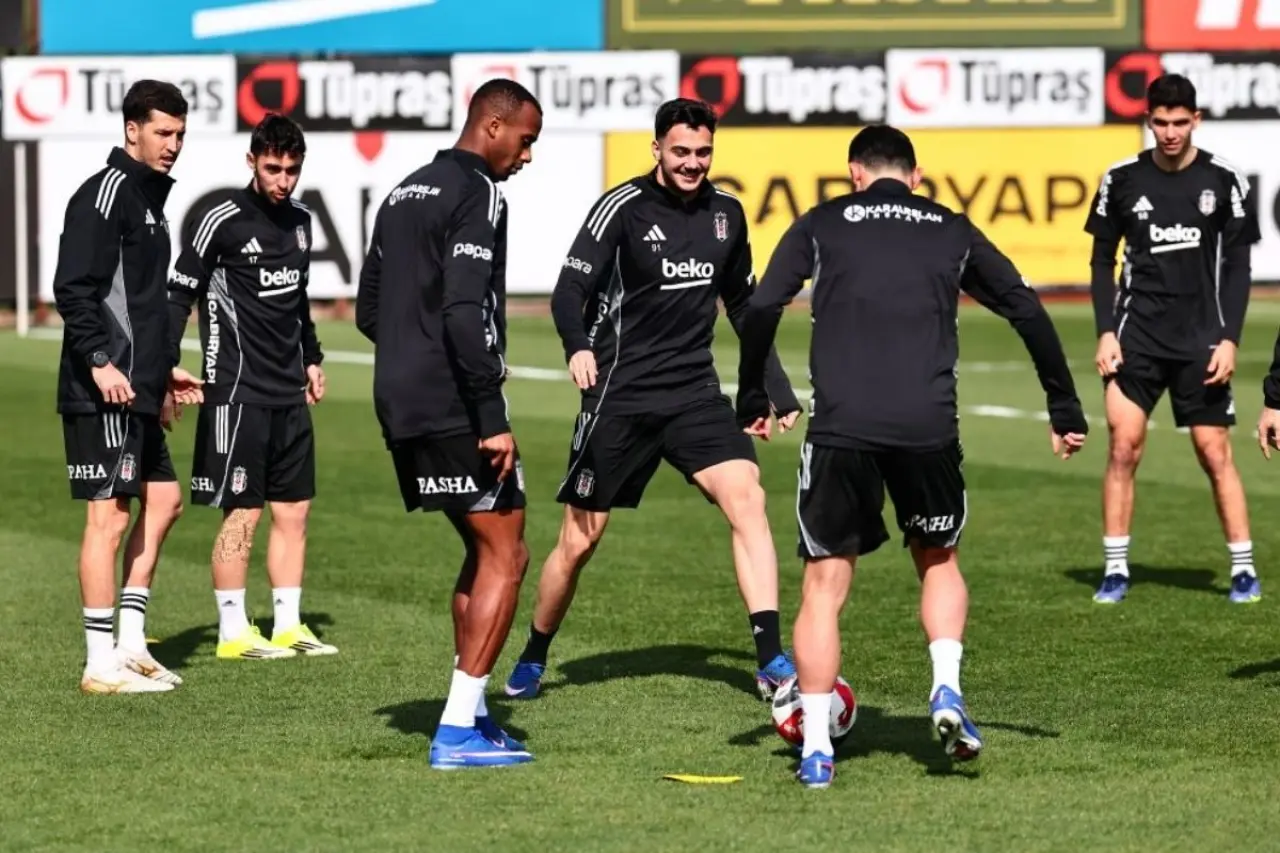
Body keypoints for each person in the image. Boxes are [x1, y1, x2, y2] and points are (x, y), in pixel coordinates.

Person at [736, 125, 1089, 789]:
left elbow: (761, 306)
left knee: (824, 585)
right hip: (927, 428)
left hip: (842, 429)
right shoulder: (950, 226)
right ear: (916, 176)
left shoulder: (822, 222)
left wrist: (753, 390)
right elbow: (1025, 308)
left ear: (854, 173)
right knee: (939, 559)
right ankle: (946, 685)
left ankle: (817, 748)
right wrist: (1063, 405)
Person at [502, 98, 802, 704]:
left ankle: (770, 658)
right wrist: (577, 345)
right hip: (620, 395)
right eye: (681, 151)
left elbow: (744, 305)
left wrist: (775, 386)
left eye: (703, 152)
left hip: (694, 394)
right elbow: (569, 290)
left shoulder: (726, 214)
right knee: (580, 541)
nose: (693, 163)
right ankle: (534, 652)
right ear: (657, 149)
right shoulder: (621, 208)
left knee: (747, 498)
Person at [355, 78, 542, 770]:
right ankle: (457, 727)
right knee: (508, 553)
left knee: (481, 544)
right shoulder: (478, 192)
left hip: (397, 394)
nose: (528, 155)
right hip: (455, 399)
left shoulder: (402, 191)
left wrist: (412, 358)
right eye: (525, 139)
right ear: (493, 126)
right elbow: (466, 310)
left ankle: (475, 713)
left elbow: (369, 311)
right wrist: (489, 411)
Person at [1085, 73, 1262, 605]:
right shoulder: (1120, 179)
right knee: (1123, 447)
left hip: (1201, 339)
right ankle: (1115, 569)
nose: (1169, 132)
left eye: (1180, 122)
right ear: (1148, 120)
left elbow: (1237, 267)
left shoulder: (1224, 180)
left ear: (1196, 120)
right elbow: (1101, 261)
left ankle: (1243, 569)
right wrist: (1105, 332)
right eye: (1160, 122)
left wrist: (1230, 339)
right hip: (1136, 336)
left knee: (1214, 452)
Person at [54, 79, 203, 694]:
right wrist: (100, 361)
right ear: (132, 130)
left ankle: (133, 644)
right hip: (104, 388)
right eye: (163, 132)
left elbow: (140, 307)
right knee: (109, 518)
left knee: (163, 501)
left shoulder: (148, 203)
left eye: (180, 134)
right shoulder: (105, 194)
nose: (173, 144)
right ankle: (99, 663)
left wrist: (162, 370)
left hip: (138, 385)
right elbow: (74, 288)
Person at [167, 113, 334, 660]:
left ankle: (287, 625)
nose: (283, 180)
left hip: (288, 392)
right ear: (252, 162)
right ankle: (233, 632)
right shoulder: (221, 219)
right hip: (237, 392)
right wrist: (166, 365)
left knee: (295, 510)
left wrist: (312, 358)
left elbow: (297, 300)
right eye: (272, 169)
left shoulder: (302, 221)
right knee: (243, 513)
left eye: (291, 170)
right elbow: (179, 294)